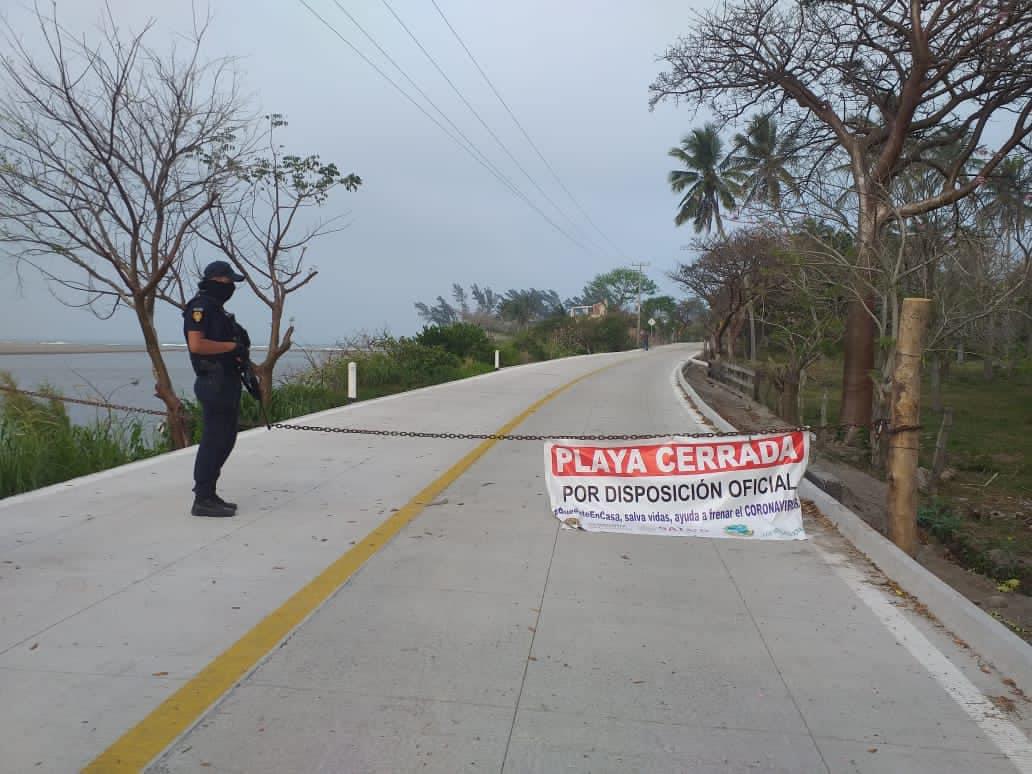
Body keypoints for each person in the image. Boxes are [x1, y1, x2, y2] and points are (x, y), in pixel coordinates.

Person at [183, 260, 250, 517]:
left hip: (226, 381)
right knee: (215, 440)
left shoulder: (217, 310)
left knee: (226, 439)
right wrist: (232, 348)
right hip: (213, 381)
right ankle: (202, 498)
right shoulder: (200, 308)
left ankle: (209, 494)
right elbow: (197, 345)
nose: (232, 286)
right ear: (215, 281)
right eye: (228, 281)